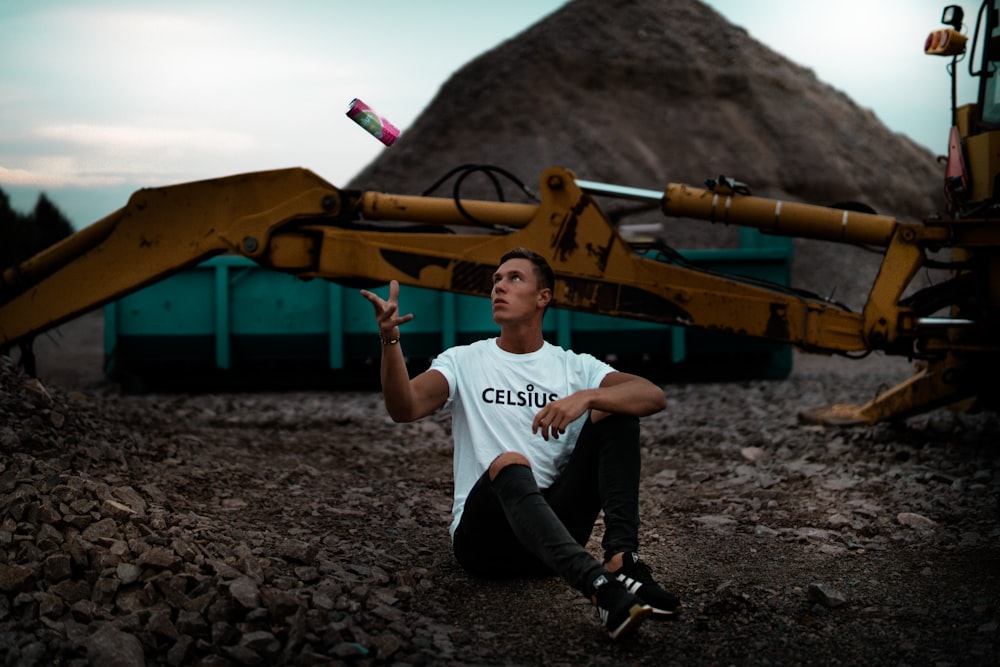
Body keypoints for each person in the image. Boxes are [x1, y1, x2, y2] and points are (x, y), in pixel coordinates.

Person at [360, 247, 679, 640]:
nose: (499, 287)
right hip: (485, 543)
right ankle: (599, 588)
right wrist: (390, 342)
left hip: (555, 536)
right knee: (511, 462)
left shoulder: (573, 366)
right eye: (496, 280)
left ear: (543, 297)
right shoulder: (464, 360)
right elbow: (403, 407)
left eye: (514, 279)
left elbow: (652, 395)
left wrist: (589, 397)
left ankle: (622, 562)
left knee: (619, 411)